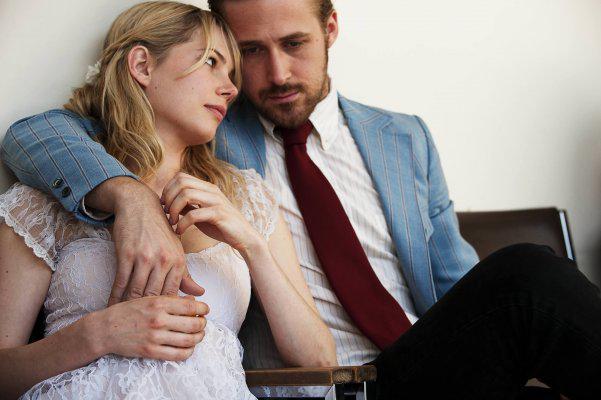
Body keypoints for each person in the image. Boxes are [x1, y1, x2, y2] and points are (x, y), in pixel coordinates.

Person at [3, 0, 601, 398]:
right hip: (323, 386)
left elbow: (460, 286)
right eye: (249, 52)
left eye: (294, 43)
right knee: (529, 277)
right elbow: (39, 134)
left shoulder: (405, 138)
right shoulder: (212, 130)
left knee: (525, 283)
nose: (274, 74)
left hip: (425, 363)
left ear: (330, 29)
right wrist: (131, 197)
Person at [0, 2, 336, 399]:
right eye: (211, 62)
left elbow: (320, 367)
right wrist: (98, 334)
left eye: (232, 74)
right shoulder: (47, 198)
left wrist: (251, 245)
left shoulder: (247, 197)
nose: (231, 88)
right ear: (142, 66)